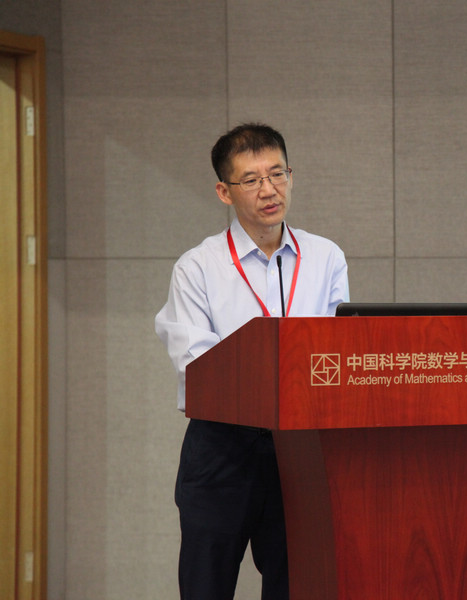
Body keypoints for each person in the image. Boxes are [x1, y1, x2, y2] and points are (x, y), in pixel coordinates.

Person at [155, 123, 350, 599]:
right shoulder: (198, 267)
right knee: (206, 585)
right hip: (223, 447)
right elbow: (198, 365)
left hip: (301, 449)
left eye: (278, 174)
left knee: (296, 585)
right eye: (251, 179)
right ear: (224, 191)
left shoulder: (325, 257)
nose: (269, 189)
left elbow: (339, 349)